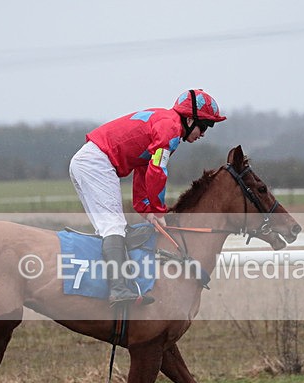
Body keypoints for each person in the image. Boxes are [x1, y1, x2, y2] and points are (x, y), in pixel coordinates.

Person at [69, 89, 227, 305]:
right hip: (96, 163)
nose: (204, 133)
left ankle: (109, 287)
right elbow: (157, 170)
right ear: (190, 119)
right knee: (113, 227)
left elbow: (142, 169)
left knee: (108, 229)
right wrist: (158, 209)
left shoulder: (167, 123)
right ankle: (118, 290)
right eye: (205, 125)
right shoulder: (170, 129)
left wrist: (145, 209)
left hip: (90, 161)